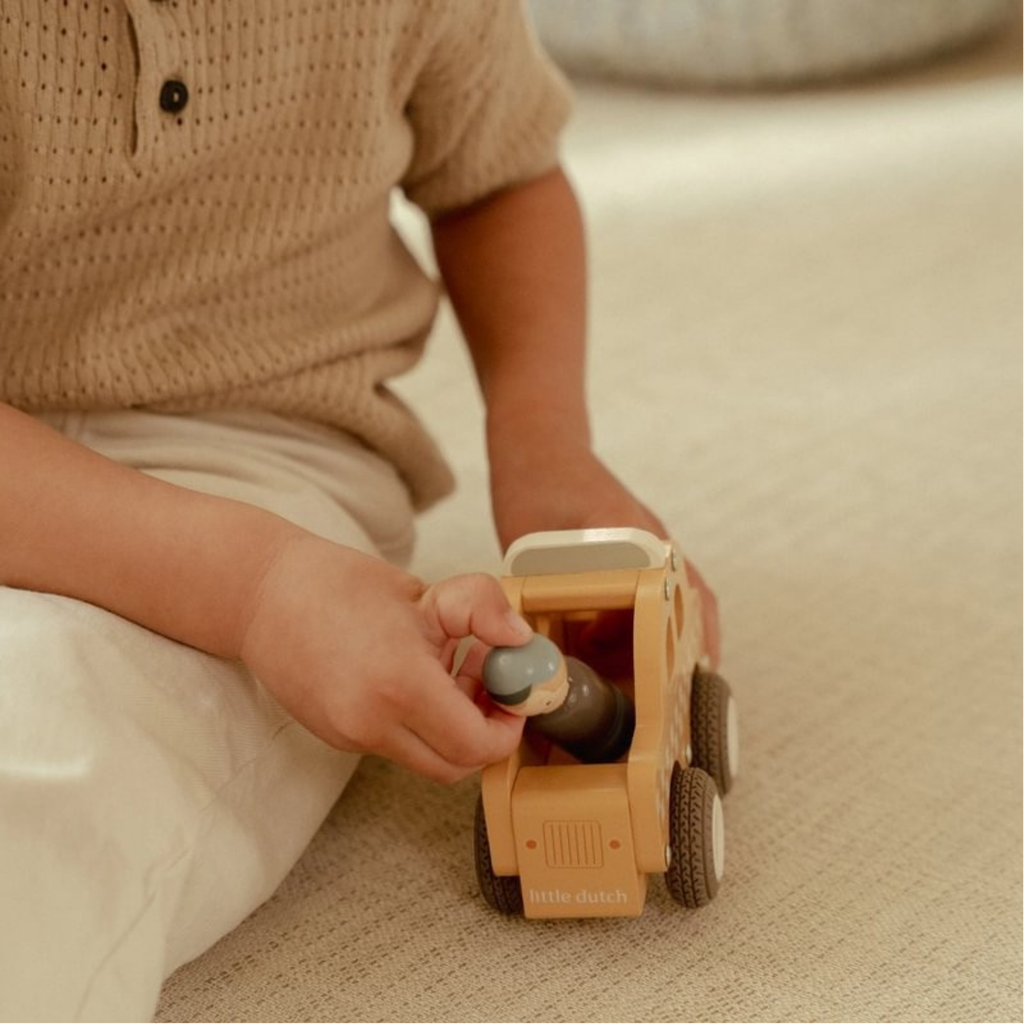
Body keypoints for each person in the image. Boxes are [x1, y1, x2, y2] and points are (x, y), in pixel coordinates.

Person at [0, 1, 719, 1018]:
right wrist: (249, 586)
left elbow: (497, 172)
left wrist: (543, 445)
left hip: (256, 455)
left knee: (47, 782)